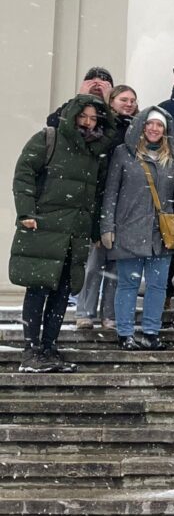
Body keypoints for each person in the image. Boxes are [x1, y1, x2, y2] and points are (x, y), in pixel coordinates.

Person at [12, 94, 116, 373]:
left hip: (75, 233)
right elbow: (24, 175)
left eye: (94, 118)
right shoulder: (49, 139)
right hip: (45, 228)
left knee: (62, 292)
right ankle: (31, 350)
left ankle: (49, 348)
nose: (88, 122)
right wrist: (26, 213)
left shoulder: (96, 152)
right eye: (84, 116)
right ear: (72, 115)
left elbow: (96, 195)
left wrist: (94, 228)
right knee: (38, 289)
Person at [101, 107, 174, 350]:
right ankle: (125, 332)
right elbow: (111, 192)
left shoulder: (172, 156)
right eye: (150, 124)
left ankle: (151, 332)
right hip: (129, 228)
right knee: (128, 283)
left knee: (158, 285)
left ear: (165, 130)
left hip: (161, 233)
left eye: (159, 125)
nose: (154, 129)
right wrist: (107, 225)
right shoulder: (123, 153)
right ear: (141, 126)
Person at [74, 83, 138, 330]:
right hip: (101, 199)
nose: (129, 103)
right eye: (124, 99)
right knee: (94, 261)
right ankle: (85, 311)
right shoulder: (103, 128)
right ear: (111, 102)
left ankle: (108, 313)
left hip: (127, 202)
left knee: (116, 264)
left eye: (132, 99)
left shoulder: (137, 129)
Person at [45, 67, 114, 128]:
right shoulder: (76, 104)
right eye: (92, 85)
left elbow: (115, 128)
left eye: (102, 86)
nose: (97, 87)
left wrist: (108, 102)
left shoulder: (117, 106)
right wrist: (80, 98)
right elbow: (53, 121)